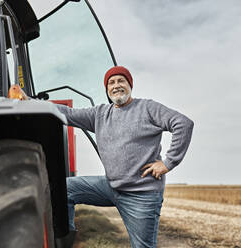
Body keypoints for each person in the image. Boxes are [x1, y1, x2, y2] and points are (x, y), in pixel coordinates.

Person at [56, 66, 194, 248]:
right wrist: (29, 102)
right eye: (111, 83)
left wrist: (168, 163)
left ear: (130, 85)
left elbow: (183, 123)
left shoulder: (147, 107)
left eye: (121, 80)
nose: (116, 85)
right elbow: (69, 114)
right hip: (111, 186)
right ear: (106, 89)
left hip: (141, 194)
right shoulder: (100, 114)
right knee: (64, 189)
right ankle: (65, 242)